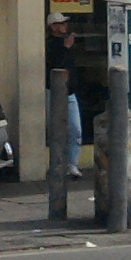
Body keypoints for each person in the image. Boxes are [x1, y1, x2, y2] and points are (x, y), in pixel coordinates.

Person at [45, 16, 83, 180]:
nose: (64, 25)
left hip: (70, 92)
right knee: (56, 130)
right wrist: (66, 48)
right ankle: (57, 164)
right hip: (54, 92)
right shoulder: (50, 45)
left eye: (65, 22)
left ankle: (72, 164)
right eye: (60, 23)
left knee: (75, 129)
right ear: (52, 26)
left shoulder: (68, 42)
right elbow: (55, 66)